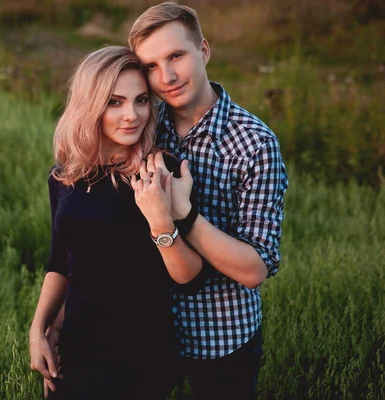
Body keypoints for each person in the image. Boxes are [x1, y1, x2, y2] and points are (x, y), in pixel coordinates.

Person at [127, 2, 289, 399]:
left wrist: (184, 213)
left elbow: (254, 269)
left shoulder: (255, 144)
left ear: (203, 51)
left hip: (223, 339)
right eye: (150, 65)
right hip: (147, 334)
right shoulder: (142, 126)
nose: (166, 77)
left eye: (176, 56)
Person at [28, 45, 203, 400]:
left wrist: (159, 221)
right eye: (115, 102)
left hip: (139, 357)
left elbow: (188, 276)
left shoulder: (159, 172)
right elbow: (60, 260)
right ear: (90, 105)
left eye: (141, 100)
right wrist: (39, 331)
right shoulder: (65, 176)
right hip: (75, 350)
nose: (132, 115)